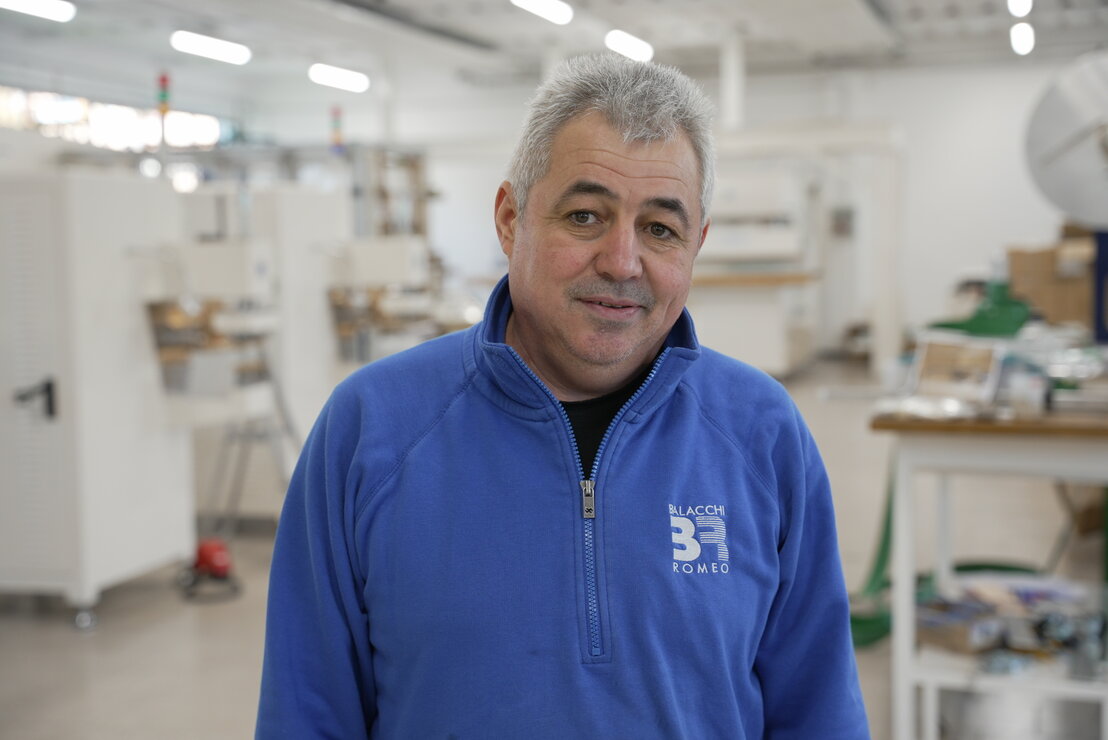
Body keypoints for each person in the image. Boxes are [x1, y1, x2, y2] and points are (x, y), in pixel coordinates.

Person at [256, 53, 869, 739]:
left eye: (660, 229)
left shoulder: (761, 433)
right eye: (585, 216)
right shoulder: (371, 430)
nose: (622, 262)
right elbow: (305, 713)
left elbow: (820, 712)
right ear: (510, 219)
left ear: (696, 245)